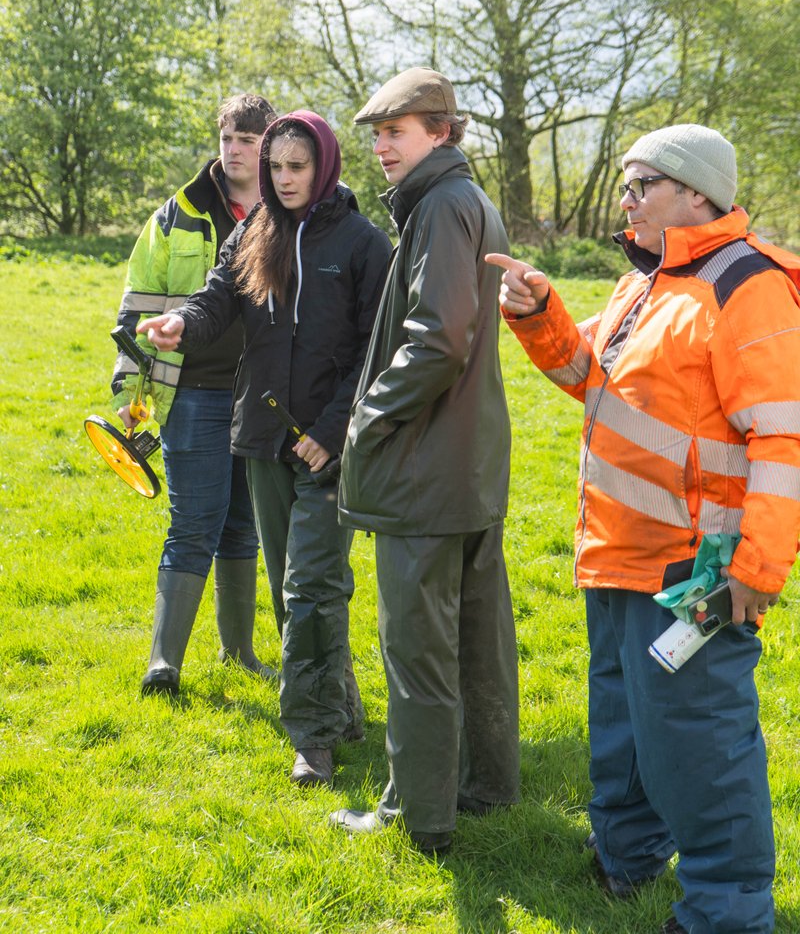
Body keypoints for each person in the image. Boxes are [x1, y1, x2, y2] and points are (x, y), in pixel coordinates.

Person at [488, 124, 800, 934]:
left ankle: (726, 914)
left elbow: (783, 440)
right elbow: (588, 379)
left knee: (701, 747)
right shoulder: (649, 280)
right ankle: (625, 858)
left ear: (695, 193)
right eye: (626, 186)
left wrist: (757, 568)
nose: (625, 201)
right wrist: (540, 312)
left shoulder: (746, 286)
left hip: (696, 572)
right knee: (624, 721)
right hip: (619, 552)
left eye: (640, 186)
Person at [138, 110, 392, 786]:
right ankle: (341, 710)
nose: (282, 179)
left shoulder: (365, 244)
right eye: (275, 167)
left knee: (310, 587)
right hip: (262, 435)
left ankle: (312, 741)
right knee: (294, 592)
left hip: (328, 446)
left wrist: (332, 431)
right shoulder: (254, 231)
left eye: (295, 166)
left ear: (325, 165)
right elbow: (218, 298)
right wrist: (179, 323)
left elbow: (375, 349)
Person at [330, 67, 520, 855]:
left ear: (440, 132)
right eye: (375, 134)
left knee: (417, 645)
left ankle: (420, 814)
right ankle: (487, 786)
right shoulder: (467, 201)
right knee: (480, 636)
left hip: (425, 468)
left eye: (396, 132)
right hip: (468, 465)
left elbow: (439, 339)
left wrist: (369, 416)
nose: (379, 147)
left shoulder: (441, 207)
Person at [113, 92, 275, 696]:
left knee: (243, 527)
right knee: (192, 524)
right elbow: (136, 308)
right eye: (227, 139)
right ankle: (164, 664)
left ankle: (240, 655)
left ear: (270, 146)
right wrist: (131, 396)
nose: (234, 152)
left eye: (247, 142)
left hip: (263, 397)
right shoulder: (176, 214)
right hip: (193, 393)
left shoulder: (290, 210)